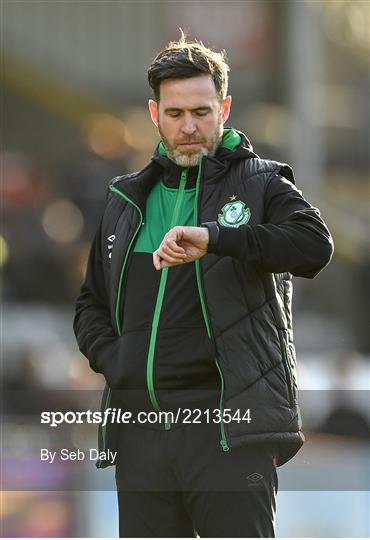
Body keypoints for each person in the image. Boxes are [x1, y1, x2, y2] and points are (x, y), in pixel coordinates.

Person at [74, 33, 333, 538]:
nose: (188, 127)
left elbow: (313, 247)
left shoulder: (261, 183)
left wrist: (217, 237)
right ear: (154, 114)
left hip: (230, 434)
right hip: (143, 435)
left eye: (201, 111)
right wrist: (116, 361)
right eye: (175, 114)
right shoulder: (125, 199)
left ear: (225, 108)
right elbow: (90, 304)